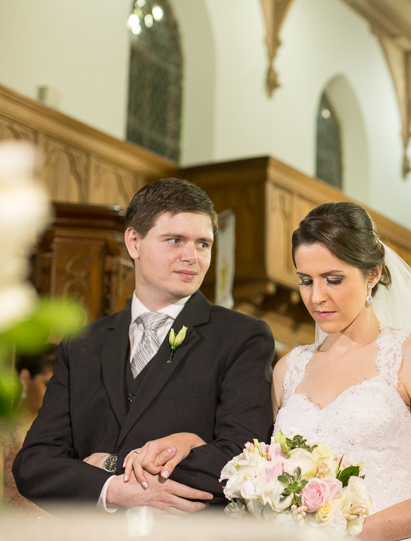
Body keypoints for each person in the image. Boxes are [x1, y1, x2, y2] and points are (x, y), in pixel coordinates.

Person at [13, 178, 275, 514]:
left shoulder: (241, 337)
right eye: (175, 240)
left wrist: (111, 466)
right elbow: (33, 464)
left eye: (203, 244)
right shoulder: (82, 344)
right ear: (134, 242)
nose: (191, 257)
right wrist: (111, 492)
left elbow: (243, 458)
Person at [270, 202, 411, 539]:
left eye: (333, 279)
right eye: (306, 281)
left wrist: (353, 534)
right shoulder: (288, 368)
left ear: (373, 273)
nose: (316, 297)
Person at [2, 344, 56, 512]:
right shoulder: (5, 433)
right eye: (47, 385)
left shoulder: (65, 432)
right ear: (25, 378)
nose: (56, 395)